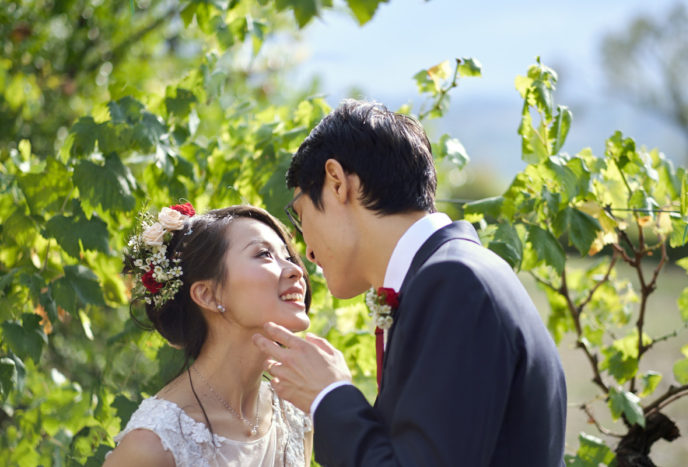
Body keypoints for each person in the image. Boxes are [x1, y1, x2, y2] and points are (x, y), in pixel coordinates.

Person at [252, 100, 568, 466]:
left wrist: (329, 396)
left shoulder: (454, 283)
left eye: (300, 214)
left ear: (337, 182)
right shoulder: (454, 273)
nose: (305, 251)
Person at [105, 204, 313, 467]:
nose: (296, 270)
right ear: (207, 295)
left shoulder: (294, 411)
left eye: (288, 256)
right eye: (264, 254)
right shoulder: (153, 446)